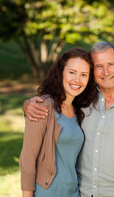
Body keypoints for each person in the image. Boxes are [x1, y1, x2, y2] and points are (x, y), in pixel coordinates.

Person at [23, 41, 114, 197]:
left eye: (111, 64)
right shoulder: (82, 101)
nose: (106, 72)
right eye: (99, 66)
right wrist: (27, 104)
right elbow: (54, 108)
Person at [19, 47, 98, 197]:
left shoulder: (79, 110)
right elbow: (27, 160)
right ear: (61, 72)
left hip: (73, 193)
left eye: (84, 75)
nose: (77, 80)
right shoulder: (43, 107)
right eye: (72, 72)